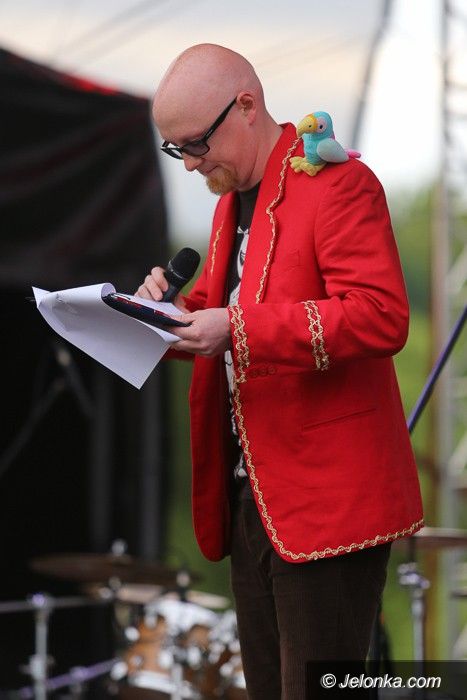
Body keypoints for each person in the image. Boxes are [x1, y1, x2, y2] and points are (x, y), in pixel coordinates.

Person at [137, 43, 423, 700]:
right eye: (175, 149)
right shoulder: (230, 202)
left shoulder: (339, 183)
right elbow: (221, 318)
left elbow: (381, 315)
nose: (190, 163)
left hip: (328, 503)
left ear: (246, 105)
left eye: (196, 143)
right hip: (252, 499)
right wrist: (159, 318)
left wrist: (235, 329)